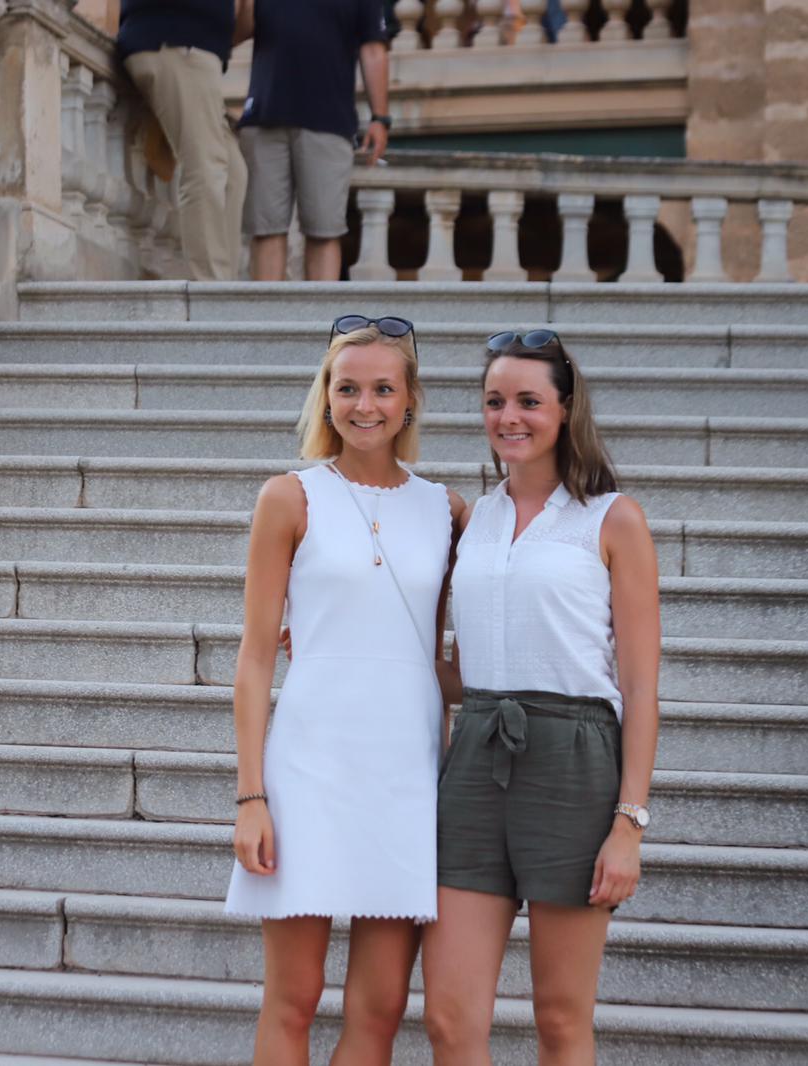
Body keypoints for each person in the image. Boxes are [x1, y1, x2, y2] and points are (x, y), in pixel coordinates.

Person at [225, 316, 465, 1064]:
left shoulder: (448, 510)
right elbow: (257, 657)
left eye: (383, 388)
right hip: (307, 767)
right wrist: (251, 796)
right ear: (325, 398)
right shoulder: (288, 498)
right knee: (293, 999)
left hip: (404, 774)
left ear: (411, 399)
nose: (366, 404)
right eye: (348, 387)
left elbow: (433, 656)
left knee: (382, 1008)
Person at [423, 330, 661, 1065]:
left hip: (574, 764)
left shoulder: (612, 518)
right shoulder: (470, 519)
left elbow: (641, 683)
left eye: (529, 400)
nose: (509, 416)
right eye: (495, 401)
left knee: (561, 1020)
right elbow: (470, 668)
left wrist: (629, 821)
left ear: (565, 409)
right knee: (449, 1020)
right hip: (475, 764)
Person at [238, 0, 392, 281]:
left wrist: (380, 118)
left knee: (324, 231)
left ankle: (321, 322)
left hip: (329, 121)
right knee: (266, 230)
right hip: (264, 117)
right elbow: (236, 33)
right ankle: (262, 322)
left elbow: (373, 49)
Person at [117, 0, 248, 281]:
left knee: (234, 174)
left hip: (190, 47)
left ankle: (225, 286)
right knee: (206, 166)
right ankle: (212, 289)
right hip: (175, 42)